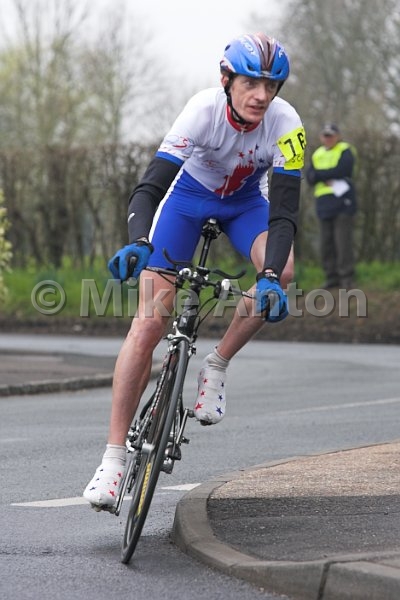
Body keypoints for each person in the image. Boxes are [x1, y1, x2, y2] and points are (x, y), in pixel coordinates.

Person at [83, 33, 306, 509]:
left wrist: (268, 276)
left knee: (283, 270)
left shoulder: (287, 124)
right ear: (227, 80)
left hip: (246, 205)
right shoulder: (202, 111)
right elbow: (150, 188)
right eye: (250, 83)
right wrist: (139, 241)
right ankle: (113, 459)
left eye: (271, 86)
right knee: (148, 325)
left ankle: (217, 364)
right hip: (186, 202)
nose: (261, 95)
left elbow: (285, 214)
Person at [306, 123, 357, 289]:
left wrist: (320, 175)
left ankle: (346, 277)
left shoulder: (345, 150)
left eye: (331, 135)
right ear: (321, 137)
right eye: (325, 135)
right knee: (326, 243)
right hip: (323, 203)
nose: (328, 139)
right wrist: (326, 175)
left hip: (343, 201)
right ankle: (331, 277)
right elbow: (310, 177)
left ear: (338, 136)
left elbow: (343, 170)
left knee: (343, 242)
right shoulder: (317, 154)